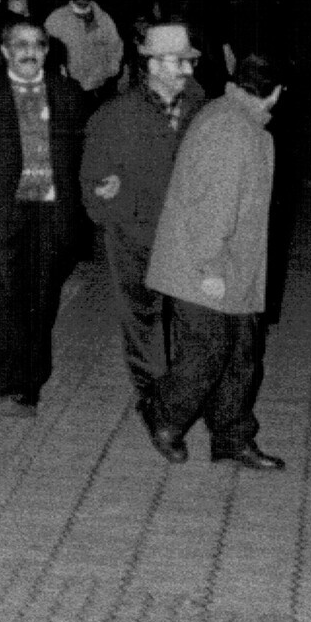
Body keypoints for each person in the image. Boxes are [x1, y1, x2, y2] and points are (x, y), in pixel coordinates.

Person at [143, 52, 286, 470]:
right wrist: (209, 270)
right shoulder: (231, 129)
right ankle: (161, 412)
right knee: (206, 354)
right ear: (275, 93)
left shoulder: (240, 123)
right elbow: (213, 209)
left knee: (241, 355)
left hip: (232, 267)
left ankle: (232, 437)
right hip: (203, 266)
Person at [0, 19, 86, 416]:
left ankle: (35, 373)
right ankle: (14, 385)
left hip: (52, 212)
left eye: (38, 45)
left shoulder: (68, 93)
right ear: (6, 51)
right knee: (7, 297)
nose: (30, 52)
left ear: (47, 50)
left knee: (43, 298)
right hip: (0, 212)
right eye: (21, 45)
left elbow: (83, 154)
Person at [81, 22, 207, 422]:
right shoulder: (115, 115)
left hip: (187, 235)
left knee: (195, 321)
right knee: (143, 322)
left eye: (189, 62)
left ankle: (187, 394)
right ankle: (156, 405)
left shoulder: (201, 105)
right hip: (135, 234)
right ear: (151, 64)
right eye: (178, 63)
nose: (187, 71)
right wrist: (121, 216)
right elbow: (93, 183)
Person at [44, 0, 125, 100]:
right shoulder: (57, 19)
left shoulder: (102, 17)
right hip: (75, 89)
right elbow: (45, 51)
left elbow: (116, 45)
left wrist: (113, 69)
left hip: (104, 85)